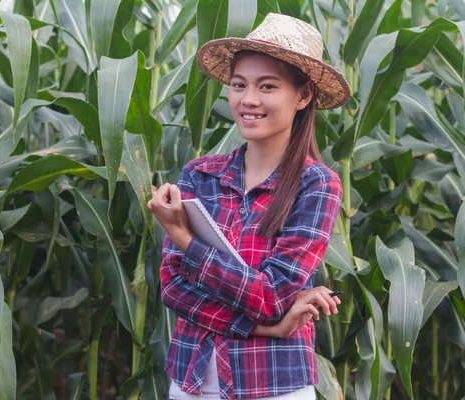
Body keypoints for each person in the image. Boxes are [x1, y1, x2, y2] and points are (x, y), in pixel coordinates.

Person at [147, 13, 349, 400]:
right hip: (189, 383)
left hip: (272, 386)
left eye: (267, 86)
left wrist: (184, 238)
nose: (248, 100)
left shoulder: (317, 185)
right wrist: (266, 327)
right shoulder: (198, 175)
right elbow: (173, 289)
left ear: (303, 95)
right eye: (239, 85)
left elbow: (271, 297)